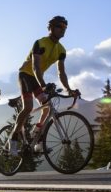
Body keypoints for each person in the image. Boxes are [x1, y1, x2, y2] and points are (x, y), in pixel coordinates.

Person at [9, 15, 80, 155]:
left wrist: (69, 89)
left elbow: (62, 73)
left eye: (65, 27)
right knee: (28, 107)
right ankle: (13, 140)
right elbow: (35, 66)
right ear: (51, 28)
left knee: (47, 107)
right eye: (59, 26)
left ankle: (38, 138)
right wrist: (43, 85)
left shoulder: (61, 50)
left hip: (37, 78)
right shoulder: (40, 43)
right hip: (26, 75)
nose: (63, 29)